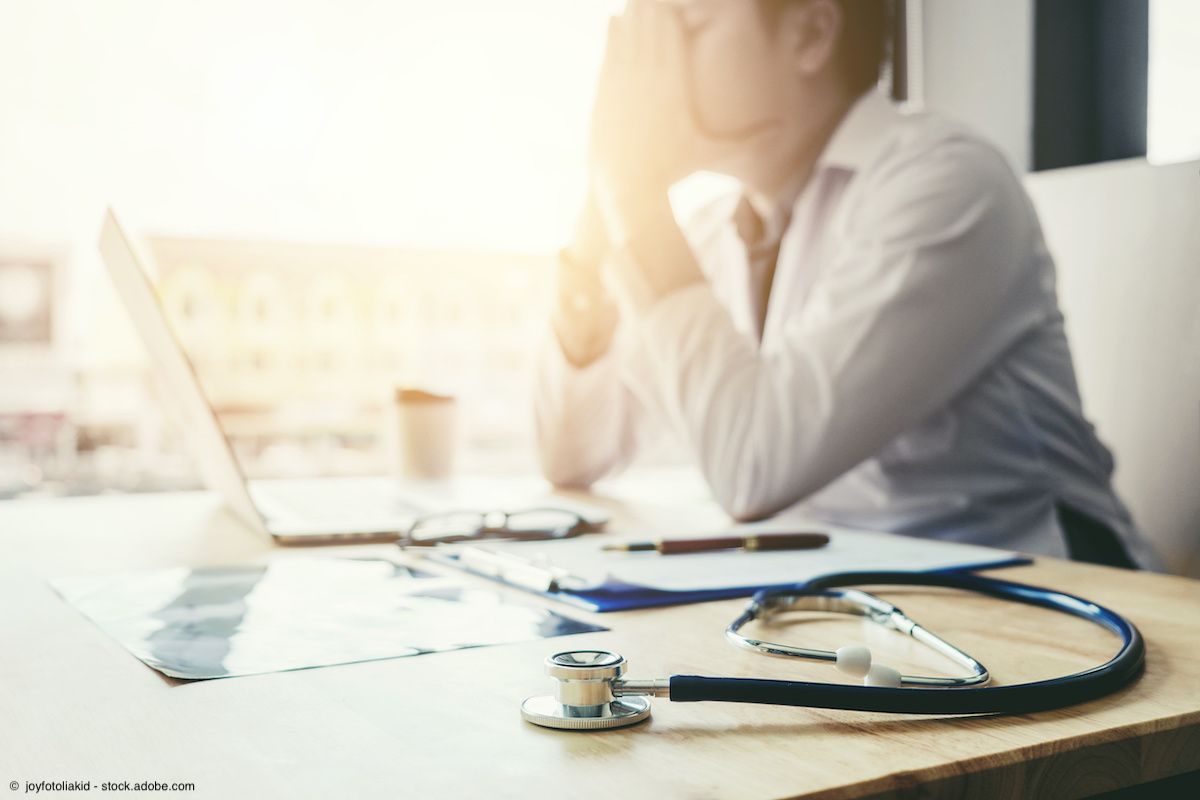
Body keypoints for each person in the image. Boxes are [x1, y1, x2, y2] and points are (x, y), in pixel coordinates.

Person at [534, 0, 1159, 569]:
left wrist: (635, 191)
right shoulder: (702, 235)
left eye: (684, 29)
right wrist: (604, 201)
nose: (647, 73)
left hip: (1052, 600)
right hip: (845, 599)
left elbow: (752, 465)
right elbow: (571, 456)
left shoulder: (945, 184)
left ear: (810, 32)